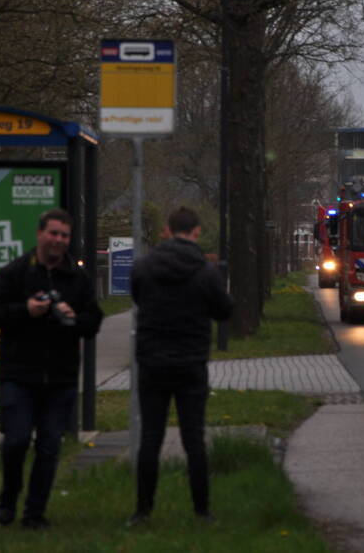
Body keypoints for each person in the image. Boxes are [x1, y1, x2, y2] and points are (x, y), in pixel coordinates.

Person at [0, 208, 102, 529]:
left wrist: (73, 317)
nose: (58, 240)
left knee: (50, 447)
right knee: (16, 440)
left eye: (64, 235)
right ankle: (8, 497)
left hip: (60, 378)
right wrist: (27, 310)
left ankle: (34, 514)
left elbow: (94, 321)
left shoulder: (77, 279)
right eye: (53, 233)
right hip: (19, 374)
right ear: (39, 234)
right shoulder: (16, 272)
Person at [127, 206, 234, 527]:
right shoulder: (204, 271)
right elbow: (224, 311)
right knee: (193, 439)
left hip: (152, 362)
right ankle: (201, 512)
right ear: (196, 232)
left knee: (150, 438)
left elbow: (137, 298)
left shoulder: (143, 268)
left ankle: (143, 511)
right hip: (190, 363)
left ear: (167, 230)